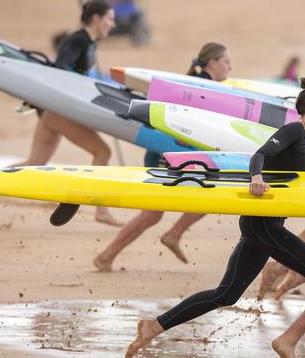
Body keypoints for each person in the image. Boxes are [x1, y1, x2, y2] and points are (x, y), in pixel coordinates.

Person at [125, 77, 305, 358]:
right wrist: (257, 179)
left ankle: (153, 326)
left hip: (266, 225)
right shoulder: (293, 132)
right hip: (261, 222)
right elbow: (259, 155)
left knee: (226, 294)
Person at [93, 42, 232, 272]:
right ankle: (114, 253)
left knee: (186, 203)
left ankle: (111, 255)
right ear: (213, 62)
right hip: (166, 155)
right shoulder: (203, 89)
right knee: (164, 210)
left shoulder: (200, 85)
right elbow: (182, 125)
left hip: (174, 154)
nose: (230, 67)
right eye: (226, 62)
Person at [0, 2, 121, 226]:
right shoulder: (78, 40)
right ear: (96, 19)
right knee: (102, 152)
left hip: (52, 109)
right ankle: (101, 210)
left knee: (35, 161)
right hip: (57, 110)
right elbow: (59, 71)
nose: (113, 24)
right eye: (109, 19)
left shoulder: (90, 43)